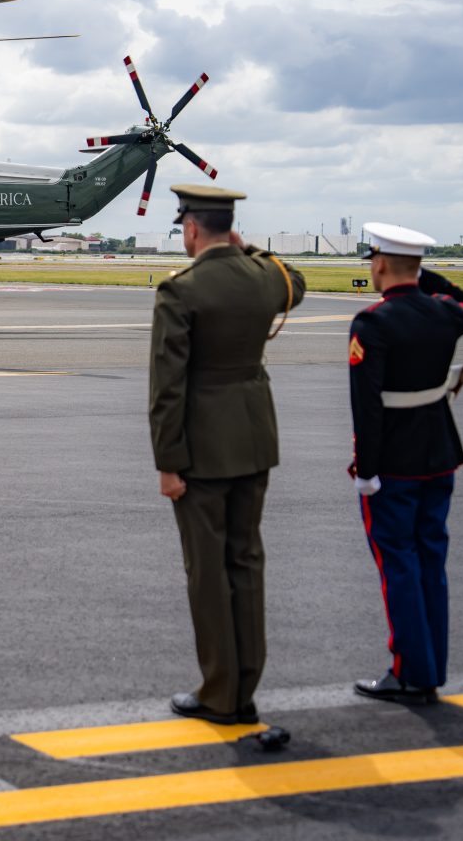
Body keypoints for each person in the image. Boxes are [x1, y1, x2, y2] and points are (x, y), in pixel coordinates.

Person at [149, 184, 306, 725]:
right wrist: (253, 251)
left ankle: (221, 693)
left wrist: (168, 462)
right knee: (246, 562)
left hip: (202, 452)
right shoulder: (263, 278)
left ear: (191, 229)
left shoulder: (181, 290)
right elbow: (297, 283)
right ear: (230, 228)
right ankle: (246, 685)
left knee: (208, 573)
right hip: (255, 439)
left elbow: (167, 387)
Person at [349, 222, 463, 705]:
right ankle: (431, 667)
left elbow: (367, 405)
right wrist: (426, 276)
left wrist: (365, 470)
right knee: (431, 563)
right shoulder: (446, 315)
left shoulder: (373, 323)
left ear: (379, 263)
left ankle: (409, 671)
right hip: (439, 455)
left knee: (398, 565)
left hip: (394, 464)